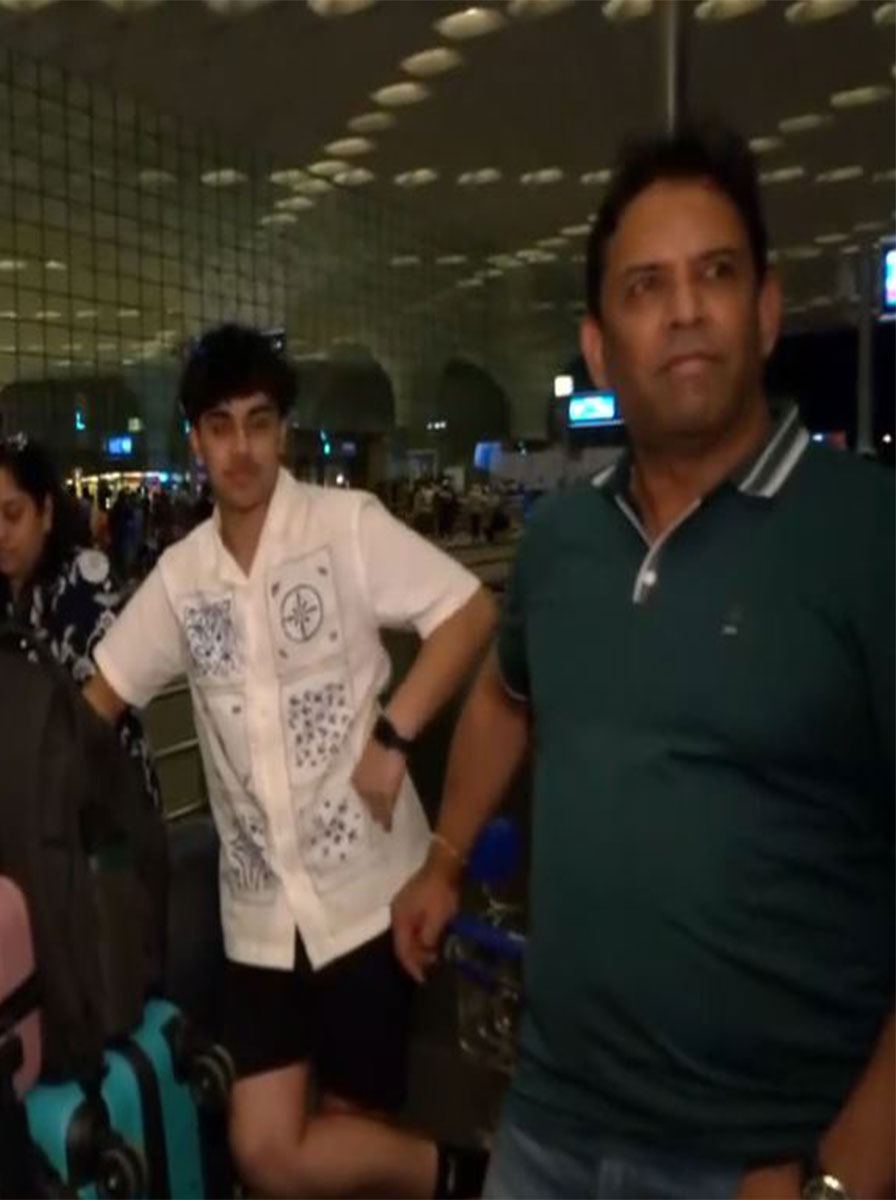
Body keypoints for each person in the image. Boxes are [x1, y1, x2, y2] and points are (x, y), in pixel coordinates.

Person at [391, 126, 895, 1200]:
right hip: (547, 1124)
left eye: (716, 274)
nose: (684, 310)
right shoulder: (564, 543)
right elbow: (505, 696)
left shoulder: (866, 535)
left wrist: (844, 1175)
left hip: (765, 1153)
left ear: (766, 309)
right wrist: (442, 858)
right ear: (598, 345)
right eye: (645, 287)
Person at [82, 325, 497, 1198]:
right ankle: (453, 1173)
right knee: (265, 1147)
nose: (241, 448)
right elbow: (100, 698)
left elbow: (467, 614)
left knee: (351, 1127)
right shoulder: (183, 577)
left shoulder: (345, 528)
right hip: (261, 918)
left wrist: (395, 735)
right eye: (221, 426)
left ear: (284, 432)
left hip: (368, 897)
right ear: (196, 441)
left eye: (259, 423)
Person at [0, 437, 161, 810]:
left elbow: (105, 707)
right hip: (9, 805)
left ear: (45, 513)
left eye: (13, 515)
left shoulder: (87, 583)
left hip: (98, 803)